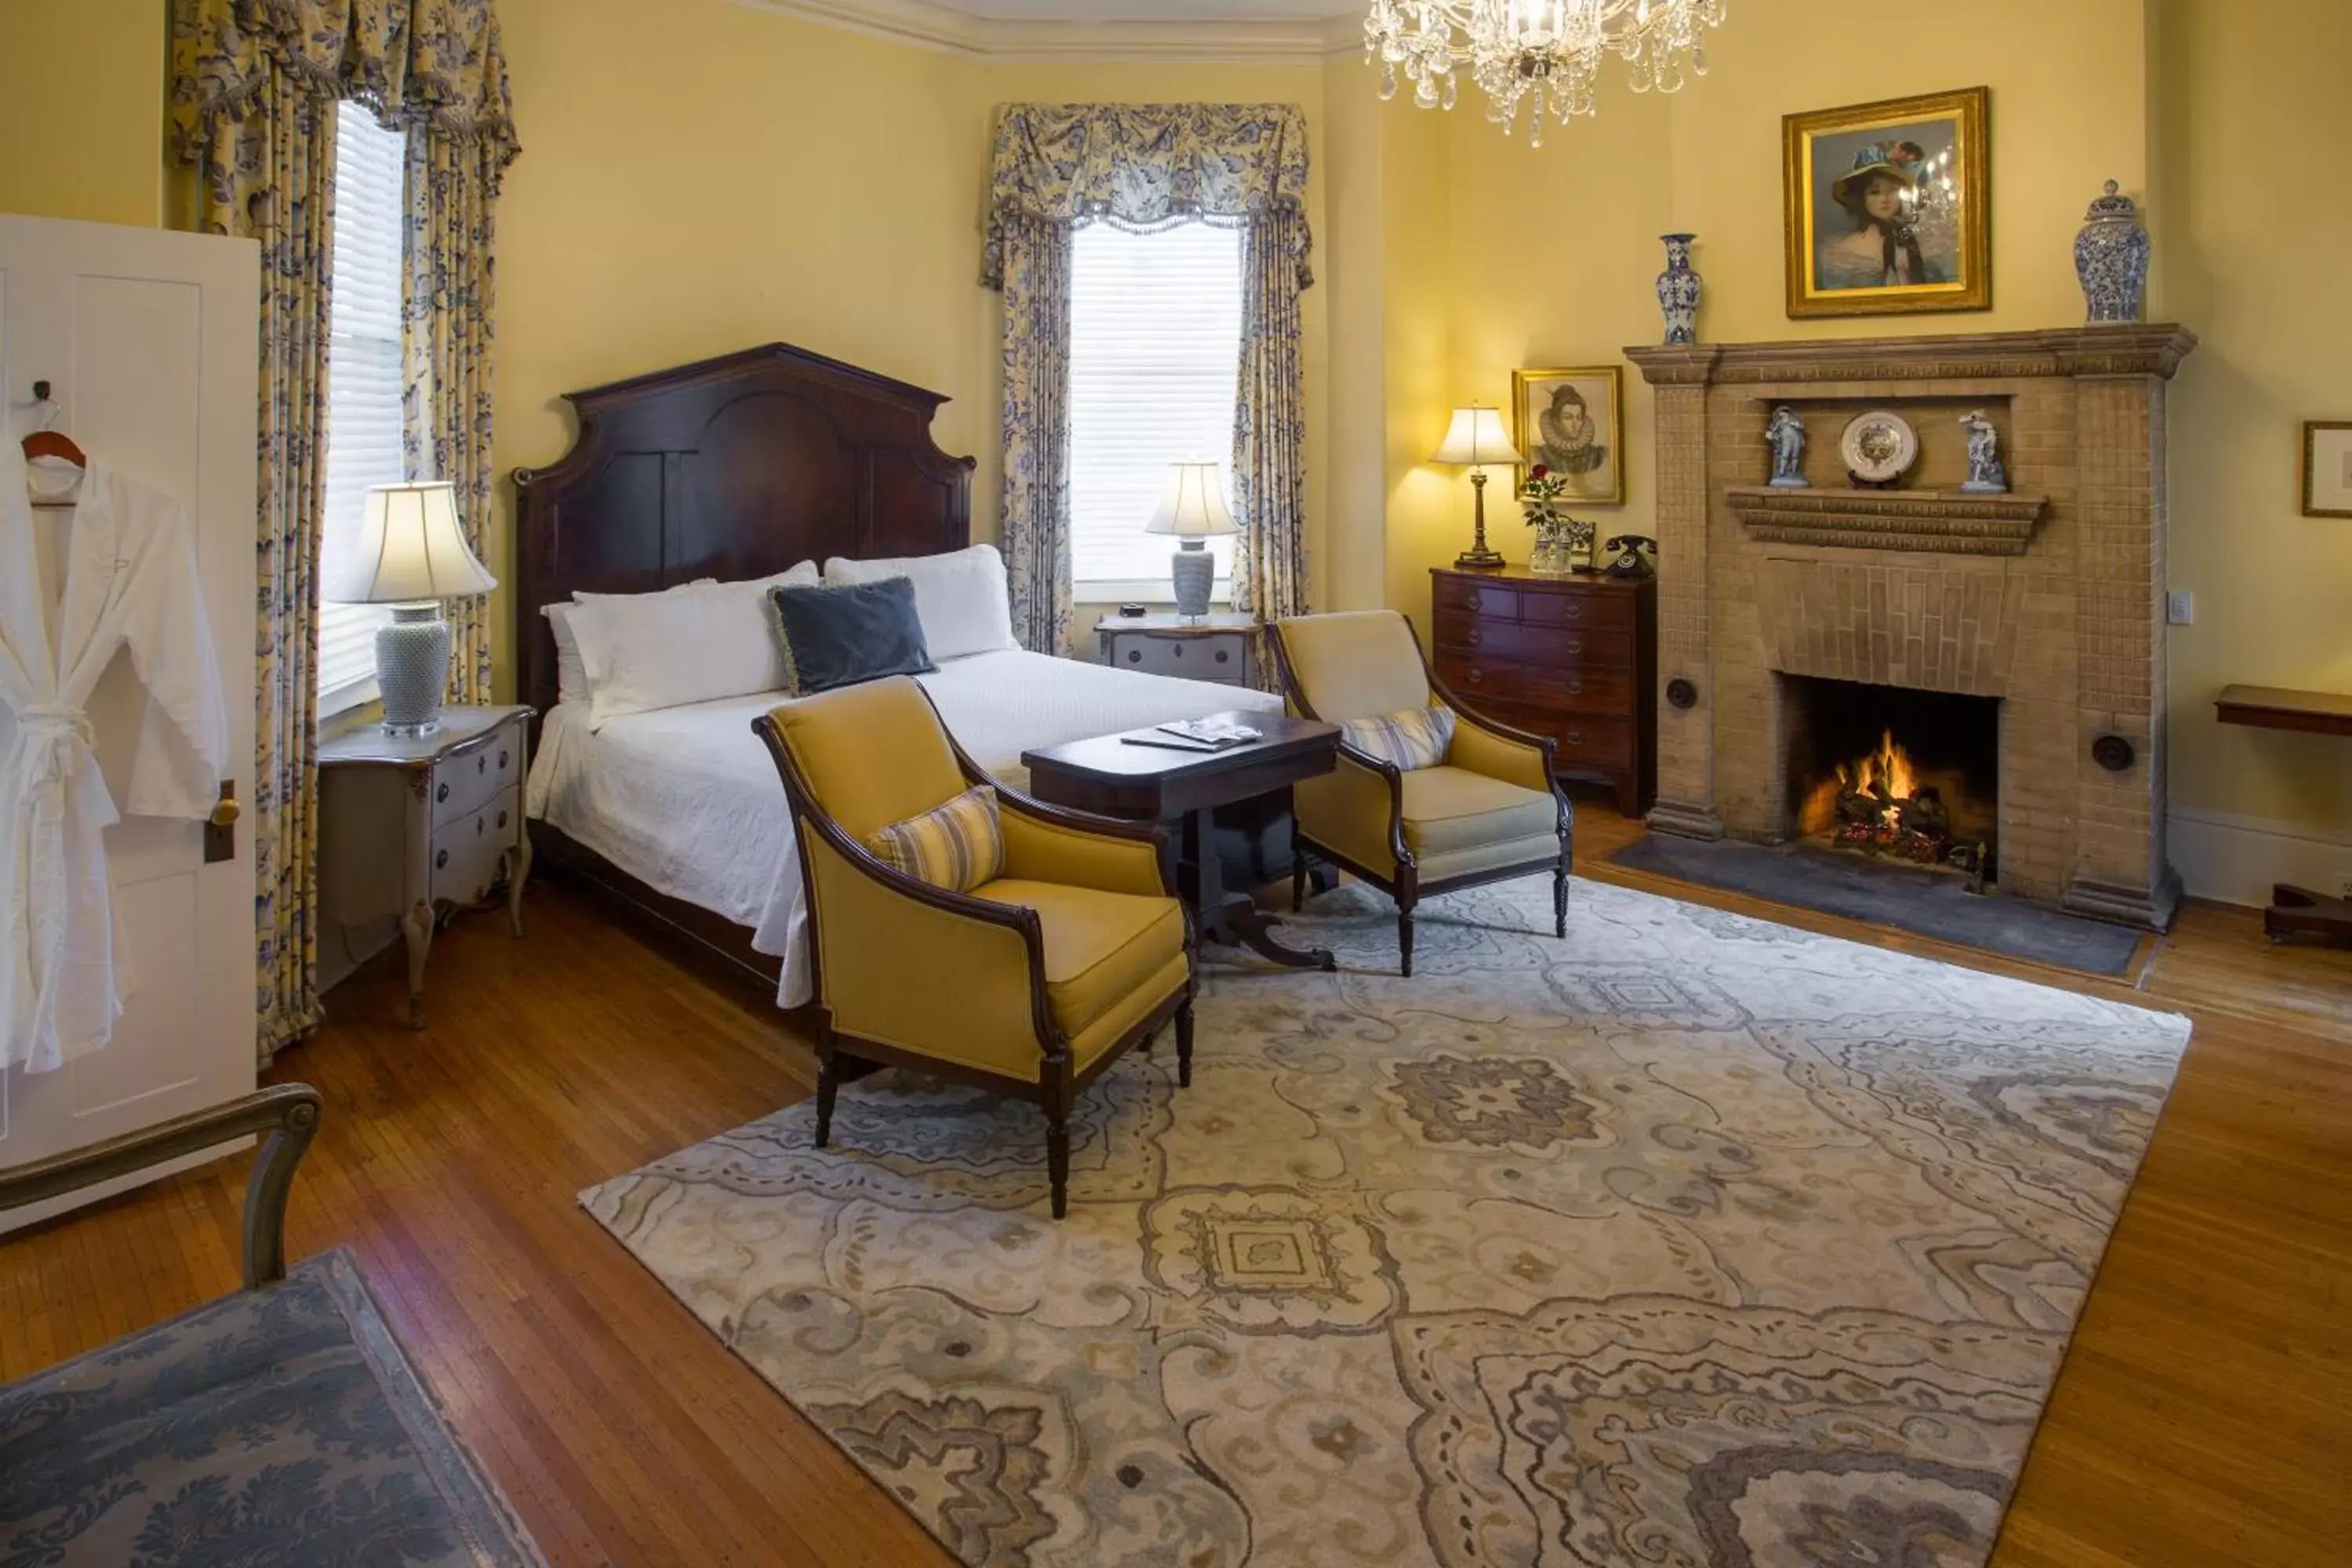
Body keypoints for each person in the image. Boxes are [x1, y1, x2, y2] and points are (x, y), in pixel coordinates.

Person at [1818, 141, 1936, 290]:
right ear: (1861, 198)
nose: (1885, 199)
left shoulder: (1917, 243)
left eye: (1892, 190)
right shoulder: (1844, 254)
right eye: (1875, 192)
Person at [1535, 384, 1606, 478]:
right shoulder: (1540, 456)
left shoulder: (1597, 456)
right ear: (1556, 421)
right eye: (1568, 418)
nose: (1575, 424)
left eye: (1579, 418)